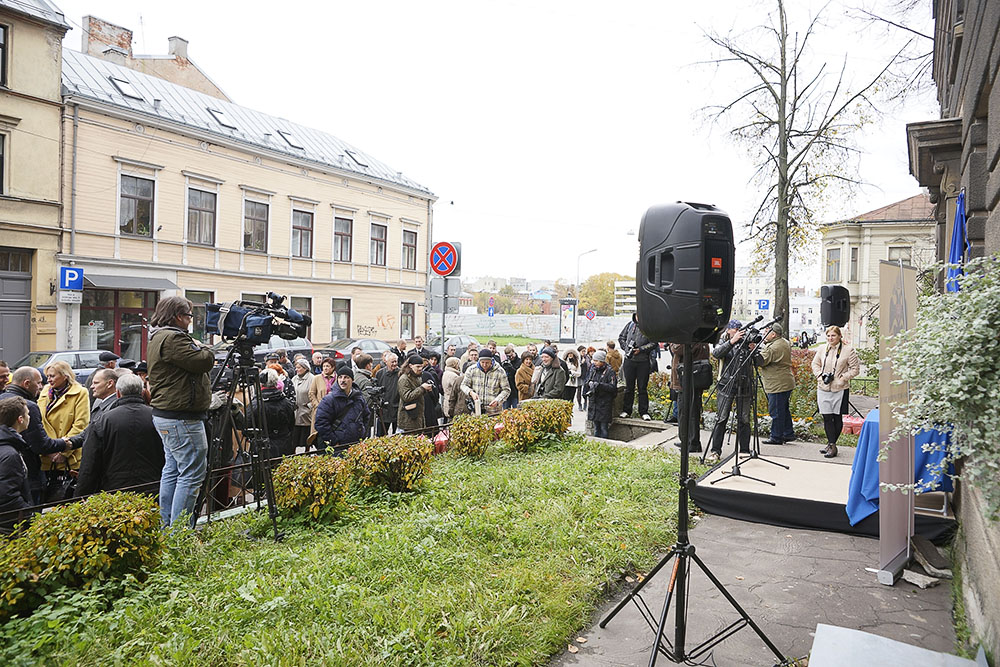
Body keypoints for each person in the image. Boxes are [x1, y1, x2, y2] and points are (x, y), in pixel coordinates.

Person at [147, 295, 215, 529]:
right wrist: (204, 347)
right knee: (191, 474)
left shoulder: (157, 336)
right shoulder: (174, 338)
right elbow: (203, 361)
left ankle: (167, 527)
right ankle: (180, 534)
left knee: (173, 470)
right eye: (188, 316)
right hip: (182, 417)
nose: (190, 321)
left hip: (167, 415)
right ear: (178, 316)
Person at [76, 374, 165, 497]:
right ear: (142, 391)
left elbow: (90, 463)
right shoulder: (157, 418)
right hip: (153, 488)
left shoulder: (103, 421)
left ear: (118, 393)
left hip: (114, 490)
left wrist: (80, 496)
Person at [2, 367, 75, 504]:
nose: (42, 387)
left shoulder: (3, 399)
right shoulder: (27, 406)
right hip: (29, 476)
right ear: (27, 383)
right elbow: (40, 444)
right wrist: (64, 443)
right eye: (39, 383)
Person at [706, 320, 758, 464]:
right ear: (729, 330)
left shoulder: (747, 342)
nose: (739, 331)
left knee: (744, 419)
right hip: (726, 384)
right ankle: (715, 451)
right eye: (736, 329)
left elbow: (761, 361)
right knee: (721, 418)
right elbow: (716, 353)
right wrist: (732, 342)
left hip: (745, 385)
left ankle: (744, 451)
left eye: (740, 329)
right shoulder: (723, 341)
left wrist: (754, 349)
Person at [812, 325, 860, 459]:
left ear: (839, 336)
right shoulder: (822, 349)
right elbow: (815, 364)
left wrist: (843, 378)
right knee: (827, 417)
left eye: (833, 335)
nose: (830, 338)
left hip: (840, 388)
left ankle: (832, 445)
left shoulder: (848, 350)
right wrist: (820, 376)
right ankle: (831, 444)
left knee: (837, 417)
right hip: (823, 387)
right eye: (828, 336)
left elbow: (855, 369)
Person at [38, 360, 90, 478]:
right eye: (48, 376)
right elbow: (39, 421)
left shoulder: (80, 392)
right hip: (47, 455)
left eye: (52, 376)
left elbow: (81, 425)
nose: (49, 379)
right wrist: (48, 449)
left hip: (68, 456)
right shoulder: (45, 391)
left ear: (65, 376)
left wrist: (63, 451)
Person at [756, 323, 796, 445]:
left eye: (766, 332)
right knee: (783, 409)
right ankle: (788, 433)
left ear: (773, 334)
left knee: (776, 411)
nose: (764, 334)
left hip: (777, 383)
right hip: (784, 381)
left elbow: (761, 361)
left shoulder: (774, 347)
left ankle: (776, 437)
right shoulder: (782, 342)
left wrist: (753, 351)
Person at [314, 367, 369, 452]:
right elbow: (321, 423)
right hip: (337, 447)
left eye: (346, 377)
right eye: (340, 377)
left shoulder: (359, 398)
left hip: (356, 445)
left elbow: (366, 416)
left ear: (352, 380)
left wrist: (361, 433)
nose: (342, 380)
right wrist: (334, 442)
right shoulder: (329, 400)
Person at [0, 395, 34, 535]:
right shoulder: (10, 454)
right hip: (9, 528)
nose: (29, 417)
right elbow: (7, 495)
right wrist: (29, 516)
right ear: (20, 419)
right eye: (28, 414)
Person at [669, 342, 711, 453]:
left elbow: (678, 349)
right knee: (684, 413)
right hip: (687, 381)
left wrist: (672, 342)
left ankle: (693, 443)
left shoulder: (694, 339)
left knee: (691, 413)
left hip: (691, 381)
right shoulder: (698, 338)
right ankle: (686, 441)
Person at [618, 314, 657, 420]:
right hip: (629, 361)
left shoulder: (649, 328)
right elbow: (621, 337)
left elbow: (654, 343)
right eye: (637, 316)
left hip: (643, 361)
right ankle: (626, 410)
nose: (639, 318)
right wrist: (627, 348)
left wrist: (641, 349)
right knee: (629, 387)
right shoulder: (630, 325)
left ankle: (643, 411)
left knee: (642, 388)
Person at [250, 369, 295, 457]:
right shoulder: (286, 403)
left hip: (262, 447)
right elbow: (291, 424)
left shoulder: (256, 404)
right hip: (284, 445)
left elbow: (248, 426)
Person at [461, 350, 510, 416]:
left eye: (487, 362)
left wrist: (498, 400)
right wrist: (471, 392)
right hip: (477, 410)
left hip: (494, 411)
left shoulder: (500, 371)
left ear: (491, 361)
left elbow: (506, 390)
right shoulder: (471, 370)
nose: (484, 365)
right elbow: (463, 385)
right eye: (482, 362)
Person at [583, 350, 618, 439]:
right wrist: (589, 385)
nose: (594, 363)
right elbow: (587, 381)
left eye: (596, 361)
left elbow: (612, 387)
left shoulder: (610, 372)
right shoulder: (593, 369)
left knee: (603, 428)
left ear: (602, 361)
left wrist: (599, 385)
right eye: (593, 360)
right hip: (594, 402)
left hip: (604, 403)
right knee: (596, 428)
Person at [397, 355, 433, 432]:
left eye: (421, 366)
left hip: (418, 417)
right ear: (410, 366)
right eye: (418, 366)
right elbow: (406, 397)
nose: (420, 369)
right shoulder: (404, 379)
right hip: (408, 418)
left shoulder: (417, 377)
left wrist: (426, 389)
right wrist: (422, 388)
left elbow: (417, 393)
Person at [308, 357, 337, 444]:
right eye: (324, 366)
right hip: (319, 409)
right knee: (318, 433)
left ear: (333, 367)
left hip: (333, 410)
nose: (325, 368)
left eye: (328, 366)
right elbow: (311, 393)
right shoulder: (317, 378)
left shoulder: (337, 378)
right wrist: (317, 405)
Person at [290, 359, 314, 454]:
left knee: (306, 436)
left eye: (299, 367)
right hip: (296, 412)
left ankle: (307, 452)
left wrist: (309, 406)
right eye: (296, 367)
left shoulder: (312, 379)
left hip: (306, 413)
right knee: (295, 436)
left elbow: (315, 394)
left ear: (305, 368)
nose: (297, 369)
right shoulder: (294, 379)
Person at [374, 351, 400, 435]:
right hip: (384, 411)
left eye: (396, 361)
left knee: (397, 436)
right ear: (386, 362)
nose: (395, 364)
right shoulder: (380, 373)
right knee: (381, 436)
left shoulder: (401, 373)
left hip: (397, 409)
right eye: (392, 362)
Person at [501, 345, 521, 409]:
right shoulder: (506, 363)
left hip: (515, 390)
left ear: (514, 352)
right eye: (508, 356)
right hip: (507, 391)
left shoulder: (519, 361)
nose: (511, 357)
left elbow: (518, 374)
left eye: (511, 355)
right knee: (505, 411)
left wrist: (511, 368)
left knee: (517, 410)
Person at [576, 346, 591, 411]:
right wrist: (581, 363)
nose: (584, 352)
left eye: (585, 351)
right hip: (579, 375)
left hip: (586, 375)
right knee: (579, 390)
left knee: (585, 390)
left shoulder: (587, 357)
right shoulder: (577, 358)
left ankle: (585, 403)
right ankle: (579, 404)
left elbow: (589, 365)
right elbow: (575, 366)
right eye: (582, 351)